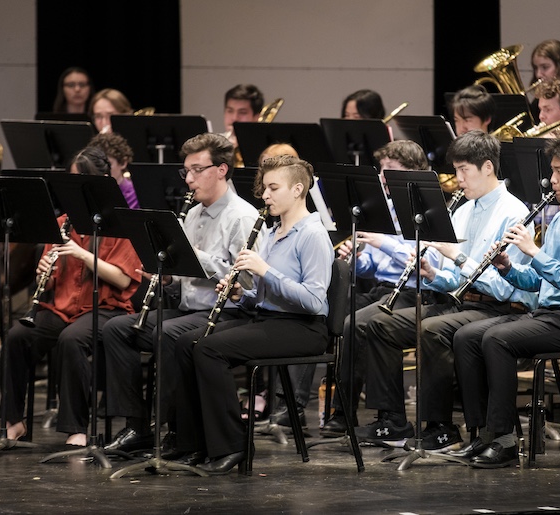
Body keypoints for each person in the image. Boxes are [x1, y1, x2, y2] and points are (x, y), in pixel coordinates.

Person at [452, 133, 560, 467]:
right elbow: (537, 280)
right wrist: (507, 268)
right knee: (466, 336)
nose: (552, 179)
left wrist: (532, 250)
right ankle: (481, 434)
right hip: (549, 316)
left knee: (498, 339)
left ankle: (504, 442)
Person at [356, 131, 532, 451]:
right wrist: (433, 273)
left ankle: (440, 426)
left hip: (497, 307)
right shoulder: (462, 210)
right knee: (379, 324)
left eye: (464, 170)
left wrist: (458, 258)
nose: (458, 179)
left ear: (488, 168)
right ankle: (393, 420)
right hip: (460, 302)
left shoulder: (514, 213)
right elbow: (452, 279)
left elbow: (504, 287)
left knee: (432, 329)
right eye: (456, 170)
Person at [171, 155, 333, 474]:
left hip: (304, 329)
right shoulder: (273, 234)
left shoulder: (313, 234)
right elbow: (263, 296)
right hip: (269, 321)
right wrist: (239, 295)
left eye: (273, 188)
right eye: (264, 188)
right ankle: (192, 444)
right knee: (185, 343)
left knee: (209, 349)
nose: (265, 195)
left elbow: (315, 301)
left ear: (298, 189)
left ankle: (233, 445)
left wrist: (266, 271)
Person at [103, 132, 261, 453]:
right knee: (117, 329)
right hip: (190, 310)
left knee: (169, 333)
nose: (189, 179)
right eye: (185, 171)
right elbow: (185, 280)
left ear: (221, 170)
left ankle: (177, 431)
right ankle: (137, 425)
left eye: (196, 170)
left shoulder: (242, 217)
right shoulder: (192, 214)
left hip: (231, 315)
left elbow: (247, 282)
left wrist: (192, 254)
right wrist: (168, 281)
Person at [1, 147, 142, 447]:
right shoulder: (63, 222)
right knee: (17, 336)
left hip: (107, 308)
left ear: (99, 181)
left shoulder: (120, 222)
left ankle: (75, 428)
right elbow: (51, 279)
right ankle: (13, 421)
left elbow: (123, 277)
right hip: (63, 306)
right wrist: (43, 273)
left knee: (72, 339)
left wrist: (82, 254)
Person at [320, 140, 442, 437]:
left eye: (391, 169)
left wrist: (382, 242)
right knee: (334, 316)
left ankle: (384, 418)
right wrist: (357, 257)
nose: (384, 176)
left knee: (358, 324)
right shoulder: (385, 208)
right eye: (383, 169)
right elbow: (371, 267)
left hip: (416, 293)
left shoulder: (429, 209)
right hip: (384, 289)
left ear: (413, 171)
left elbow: (428, 261)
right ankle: (343, 411)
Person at [86, 132, 140, 209]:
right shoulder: (91, 192)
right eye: (97, 164)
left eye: (107, 164)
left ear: (123, 163)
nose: (102, 169)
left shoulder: (135, 194)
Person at [223, 84, 264, 148]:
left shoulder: (264, 149)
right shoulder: (213, 145)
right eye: (230, 111)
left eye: (242, 112)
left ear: (256, 117)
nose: (234, 118)